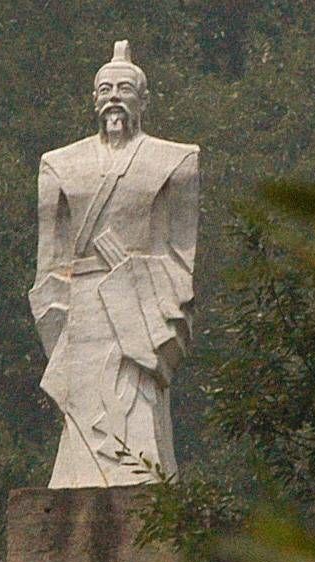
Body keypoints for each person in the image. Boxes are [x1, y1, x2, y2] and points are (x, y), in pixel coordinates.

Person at [29, 40, 200, 488]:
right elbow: (49, 264)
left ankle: (140, 474)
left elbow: (181, 259)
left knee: (134, 407)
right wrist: (56, 322)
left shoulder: (176, 161)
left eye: (124, 89)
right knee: (83, 410)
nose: (114, 98)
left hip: (135, 309)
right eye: (105, 90)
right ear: (93, 99)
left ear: (143, 100)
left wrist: (136, 284)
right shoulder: (60, 165)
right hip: (82, 309)